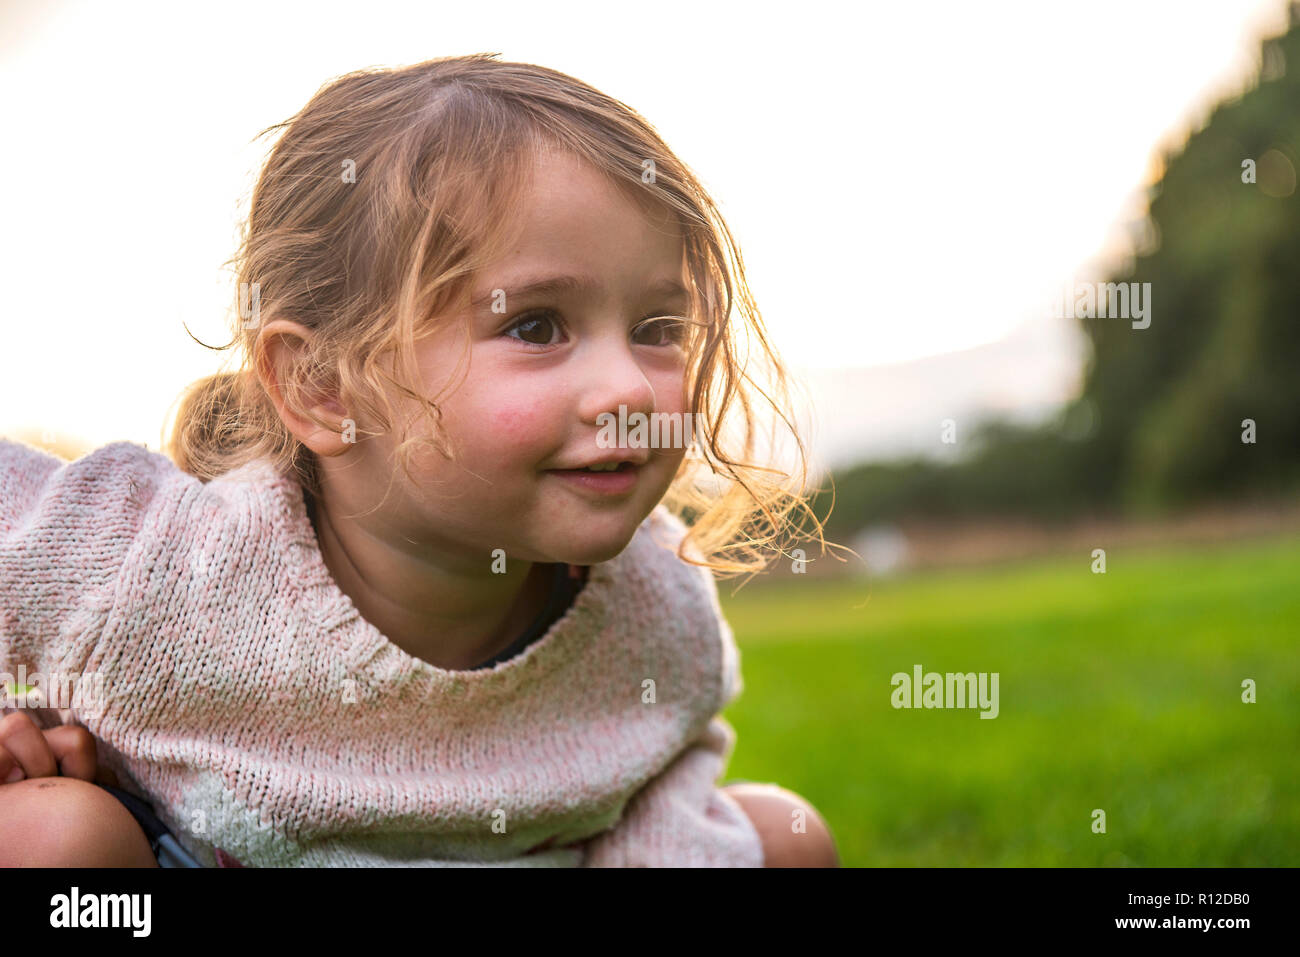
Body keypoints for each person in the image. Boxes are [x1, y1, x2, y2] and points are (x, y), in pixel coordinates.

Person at [0, 53, 838, 868]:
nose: (627, 386)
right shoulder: (157, 565)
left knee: (779, 835)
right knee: (51, 838)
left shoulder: (656, 600)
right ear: (323, 386)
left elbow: (662, 768)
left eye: (658, 330)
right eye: (537, 325)